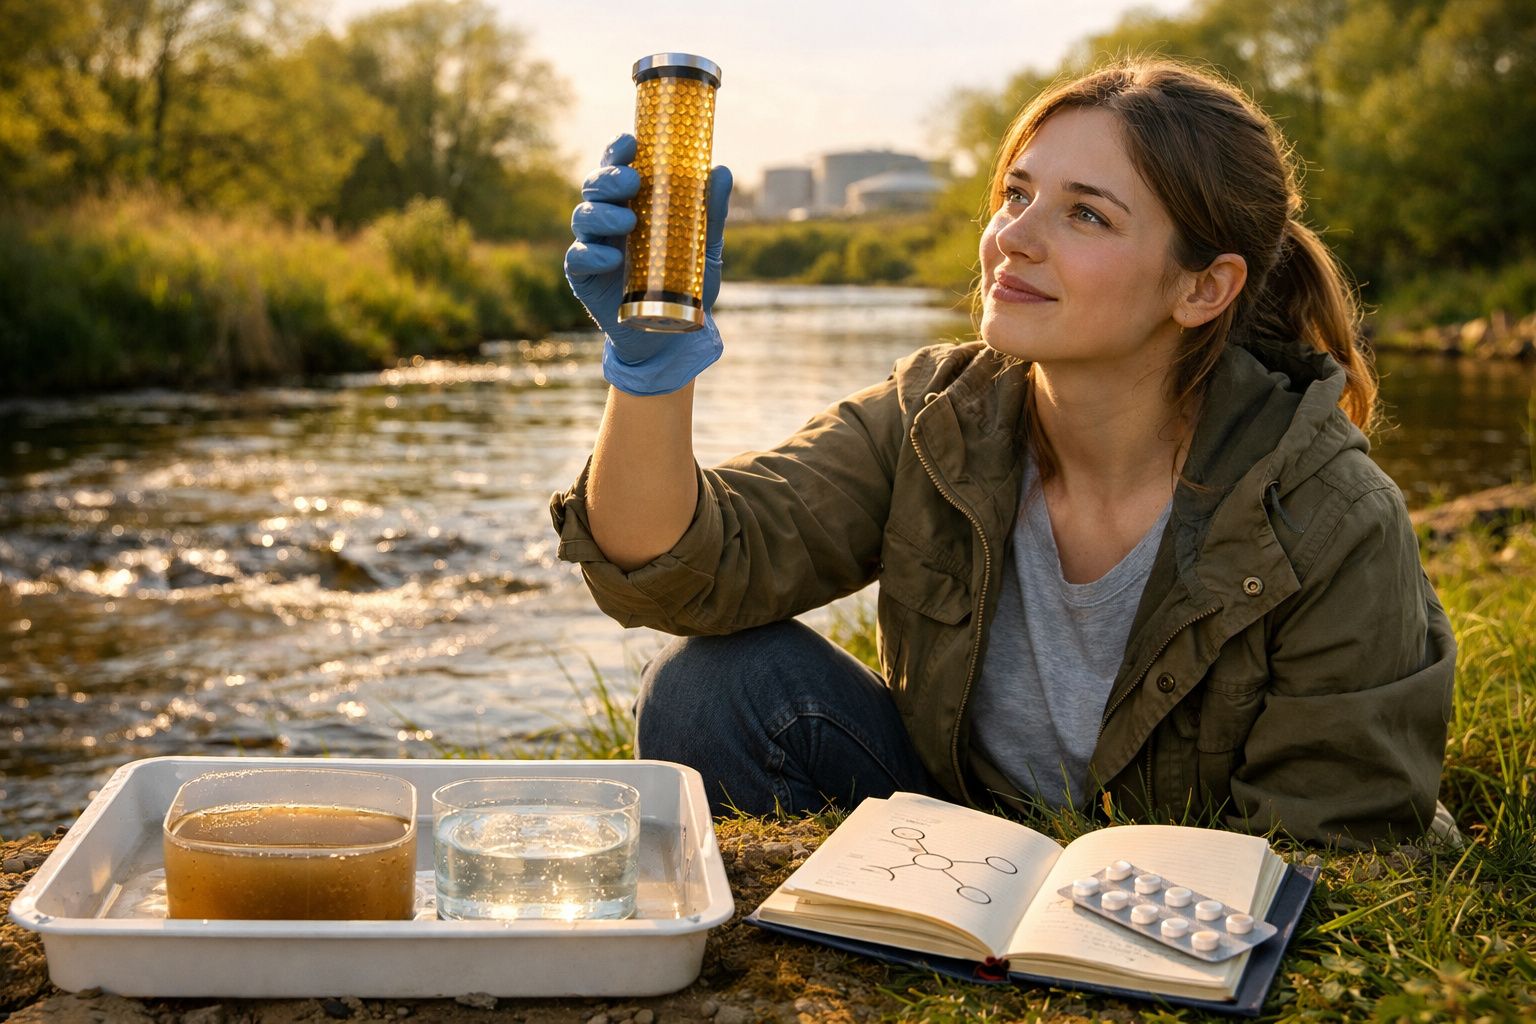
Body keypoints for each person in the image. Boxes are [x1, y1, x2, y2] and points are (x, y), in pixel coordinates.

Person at [552, 57, 1456, 848]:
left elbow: (1334, 840)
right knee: (712, 686)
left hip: (1172, 901)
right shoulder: (939, 413)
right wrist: (650, 364)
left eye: (1087, 216)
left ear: (1203, 287)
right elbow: (676, 566)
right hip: (953, 849)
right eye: (1016, 194)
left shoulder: (1330, 515)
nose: (1012, 239)